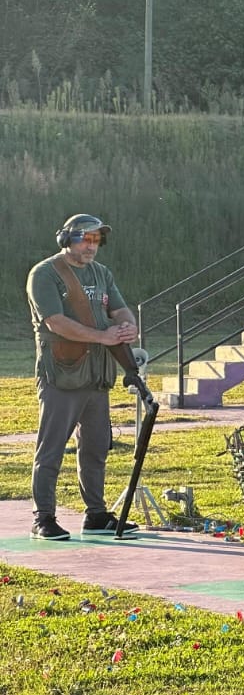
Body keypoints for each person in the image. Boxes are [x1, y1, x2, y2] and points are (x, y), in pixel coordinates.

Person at [26, 214, 142, 540]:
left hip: (96, 375)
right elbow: (55, 322)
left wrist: (127, 326)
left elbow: (118, 310)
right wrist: (104, 337)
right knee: (50, 449)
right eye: (84, 239)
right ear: (67, 240)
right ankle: (43, 517)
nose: (91, 246)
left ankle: (96, 513)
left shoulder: (101, 273)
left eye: (96, 240)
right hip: (62, 374)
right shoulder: (45, 274)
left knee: (95, 447)